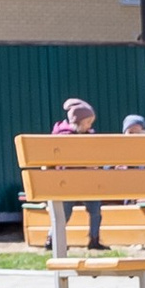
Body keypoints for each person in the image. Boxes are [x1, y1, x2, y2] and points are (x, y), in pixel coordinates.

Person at [54, 95, 103, 248]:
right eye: (87, 122)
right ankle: (52, 239)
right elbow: (66, 162)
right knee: (65, 213)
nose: (89, 126)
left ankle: (94, 239)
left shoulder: (88, 135)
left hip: (86, 180)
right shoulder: (65, 136)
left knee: (95, 209)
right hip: (68, 181)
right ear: (76, 121)